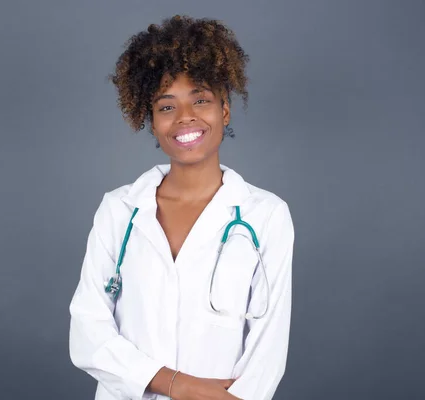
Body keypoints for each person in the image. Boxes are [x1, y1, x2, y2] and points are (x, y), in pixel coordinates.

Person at [69, 15, 295, 400]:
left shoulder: (265, 216)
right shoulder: (119, 211)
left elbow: (266, 355)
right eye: (166, 106)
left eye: (201, 100)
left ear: (224, 110)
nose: (185, 117)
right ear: (152, 121)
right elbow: (88, 334)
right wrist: (178, 385)